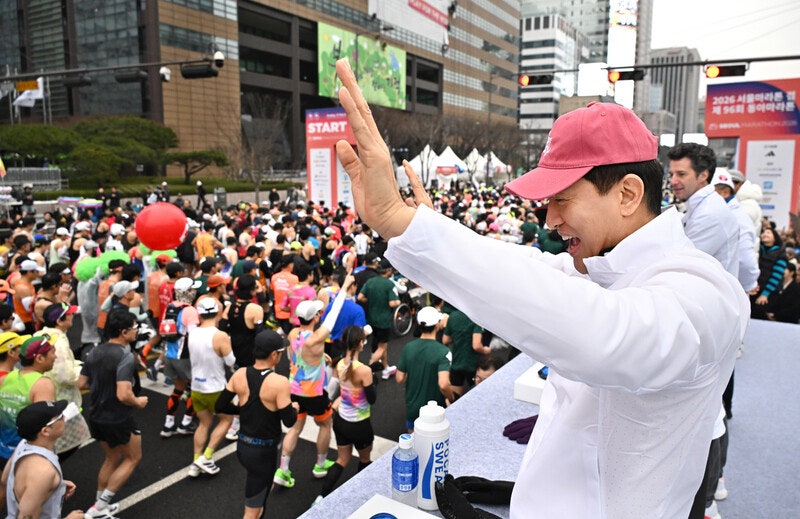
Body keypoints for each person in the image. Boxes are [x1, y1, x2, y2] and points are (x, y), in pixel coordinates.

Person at [332, 58, 748, 518]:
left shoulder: (707, 293)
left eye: (562, 198)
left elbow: (603, 336)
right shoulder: (597, 268)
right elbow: (531, 269)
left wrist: (406, 222)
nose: (549, 219)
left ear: (628, 194)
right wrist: (414, 227)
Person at [274, 278, 353, 488]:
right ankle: (320, 465)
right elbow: (333, 316)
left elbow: (298, 357)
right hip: (314, 393)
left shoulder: (293, 333)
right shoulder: (316, 338)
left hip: (294, 390)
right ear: (315, 317)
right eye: (318, 313)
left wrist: (319, 358)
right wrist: (344, 287)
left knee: (295, 428)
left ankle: (283, 469)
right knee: (326, 424)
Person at [215, 329, 298, 519]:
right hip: (263, 453)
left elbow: (220, 405)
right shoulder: (279, 382)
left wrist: (242, 411)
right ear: (273, 355)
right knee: (251, 512)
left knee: (261, 496)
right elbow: (289, 420)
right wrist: (295, 407)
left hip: (243, 447)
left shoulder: (240, 374)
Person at [79, 310, 148, 519]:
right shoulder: (124, 356)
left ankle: (100, 505)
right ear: (124, 332)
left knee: (111, 457)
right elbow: (124, 394)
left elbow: (81, 383)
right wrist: (139, 402)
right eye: (135, 328)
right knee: (133, 457)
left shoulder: (95, 351)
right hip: (117, 417)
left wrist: (103, 385)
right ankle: (100, 507)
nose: (137, 331)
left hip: (96, 415)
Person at [314, 324, 376, 504]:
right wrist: (374, 379)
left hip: (341, 420)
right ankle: (362, 499)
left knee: (342, 458)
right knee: (365, 459)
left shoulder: (339, 363)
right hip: (359, 424)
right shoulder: (364, 370)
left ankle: (321, 496)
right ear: (359, 344)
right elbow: (371, 398)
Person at [0, 400, 85, 519]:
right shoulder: (44, 472)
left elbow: (5, 479)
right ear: (45, 431)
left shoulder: (24, 444)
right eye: (60, 417)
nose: (64, 418)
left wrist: (56, 485)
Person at [186, 298, 236, 477]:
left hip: (196, 387)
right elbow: (231, 362)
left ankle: (195, 461)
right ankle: (206, 456)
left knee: (204, 423)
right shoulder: (219, 335)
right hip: (215, 388)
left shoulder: (192, 333)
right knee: (226, 420)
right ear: (217, 312)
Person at [0, 336, 57, 470]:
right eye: (52, 352)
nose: (56, 357)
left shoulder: (7, 378)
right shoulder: (43, 384)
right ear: (39, 358)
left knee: (4, 487)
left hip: (3, 448)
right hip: (25, 454)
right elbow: (44, 426)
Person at [396, 306, 454, 431]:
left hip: (413, 408)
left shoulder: (408, 347)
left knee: (414, 446)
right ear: (437, 325)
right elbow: (443, 384)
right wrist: (451, 398)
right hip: (435, 411)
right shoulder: (443, 351)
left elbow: (400, 378)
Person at [357, 259, 400, 379]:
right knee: (382, 346)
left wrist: (370, 301)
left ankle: (385, 368)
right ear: (388, 271)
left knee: (381, 345)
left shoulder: (370, 281)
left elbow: (360, 297)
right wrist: (398, 301)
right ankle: (368, 369)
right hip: (383, 320)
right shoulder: (389, 284)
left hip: (372, 319)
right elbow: (392, 303)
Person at [442, 306, 487, 397]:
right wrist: (486, 350)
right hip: (473, 364)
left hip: (456, 362)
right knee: (478, 396)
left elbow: (445, 340)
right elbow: (476, 345)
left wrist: (458, 337)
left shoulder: (453, 316)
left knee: (455, 398)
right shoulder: (476, 317)